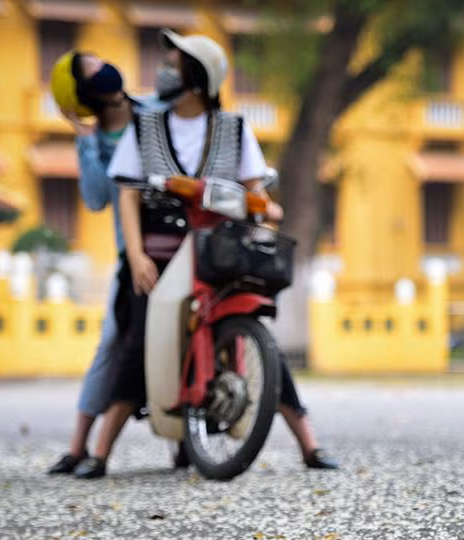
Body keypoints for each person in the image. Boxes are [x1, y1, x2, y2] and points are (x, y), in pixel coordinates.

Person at [75, 29, 337, 479]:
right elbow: (127, 196)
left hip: (219, 252)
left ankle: (309, 442)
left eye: (173, 65)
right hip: (157, 255)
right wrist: (135, 256)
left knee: (260, 338)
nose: (163, 73)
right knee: (140, 337)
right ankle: (99, 452)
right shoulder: (147, 126)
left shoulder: (234, 128)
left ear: (197, 78)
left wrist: (265, 209)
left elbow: (257, 191)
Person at [45, 51, 140, 475]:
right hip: (133, 255)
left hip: (180, 241)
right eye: (91, 68)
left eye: (102, 60)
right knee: (111, 343)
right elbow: (97, 198)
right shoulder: (97, 140)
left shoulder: (152, 115)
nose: (104, 66)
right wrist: (84, 139)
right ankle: (80, 444)